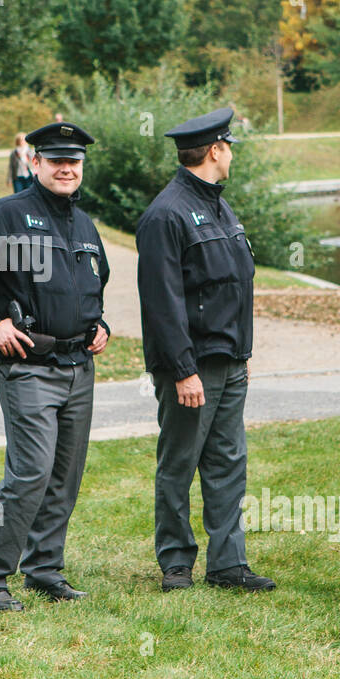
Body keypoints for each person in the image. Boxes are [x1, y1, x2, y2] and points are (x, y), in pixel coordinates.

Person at [0, 122, 111, 610]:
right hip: (26, 364)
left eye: (75, 162)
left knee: (65, 473)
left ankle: (44, 569)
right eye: (57, 160)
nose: (67, 169)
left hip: (77, 365)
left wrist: (99, 323)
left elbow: (90, 287)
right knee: (30, 471)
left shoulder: (85, 225)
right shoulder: (5, 217)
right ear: (36, 163)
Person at [135, 107, 276, 594]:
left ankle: (228, 563)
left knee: (228, 462)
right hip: (192, 368)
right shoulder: (166, 213)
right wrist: (182, 369)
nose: (231, 153)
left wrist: (244, 351)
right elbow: (161, 302)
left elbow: (232, 285)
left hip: (230, 362)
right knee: (179, 463)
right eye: (229, 146)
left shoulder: (219, 205)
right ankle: (176, 562)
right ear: (215, 150)